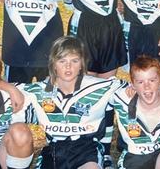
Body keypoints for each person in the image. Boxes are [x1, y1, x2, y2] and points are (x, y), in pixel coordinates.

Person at [16, 36, 124, 168]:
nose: (68, 66)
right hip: (54, 151)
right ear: (53, 64)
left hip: (86, 150)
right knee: (16, 131)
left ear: (82, 64)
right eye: (62, 61)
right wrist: (8, 88)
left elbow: (138, 87)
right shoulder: (39, 91)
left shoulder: (101, 87)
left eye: (74, 61)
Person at [111, 56, 160, 169]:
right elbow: (94, 86)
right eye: (140, 82)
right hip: (136, 157)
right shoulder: (121, 97)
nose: (147, 86)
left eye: (152, 80)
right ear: (132, 85)